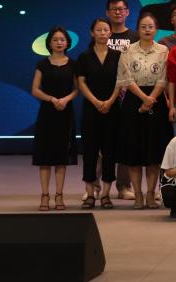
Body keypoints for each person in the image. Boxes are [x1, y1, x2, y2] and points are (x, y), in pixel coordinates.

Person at [116, 12, 172, 210]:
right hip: (133, 101)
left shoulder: (163, 50)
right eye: (143, 27)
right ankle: (138, 195)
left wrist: (151, 99)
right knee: (134, 150)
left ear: (156, 30)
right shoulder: (127, 50)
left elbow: (164, 78)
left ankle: (150, 194)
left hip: (156, 100)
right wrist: (144, 99)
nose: (147, 30)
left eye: (151, 27)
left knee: (153, 151)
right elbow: (126, 78)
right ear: (138, 29)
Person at [31, 26, 78, 211]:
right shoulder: (42, 64)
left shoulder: (73, 64)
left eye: (62, 40)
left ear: (67, 43)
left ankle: (59, 195)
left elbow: (77, 89)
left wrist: (65, 99)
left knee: (61, 157)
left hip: (65, 113)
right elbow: (35, 89)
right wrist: (52, 99)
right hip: (47, 113)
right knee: (45, 157)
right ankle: (44, 195)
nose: (59, 42)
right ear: (49, 43)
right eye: (56, 40)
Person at [76, 17, 122, 209]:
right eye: (98, 30)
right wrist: (95, 101)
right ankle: (89, 194)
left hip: (112, 109)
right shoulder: (84, 57)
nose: (102, 33)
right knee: (90, 151)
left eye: (105, 30)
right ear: (92, 33)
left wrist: (110, 101)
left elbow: (121, 82)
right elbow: (81, 82)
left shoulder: (118, 55)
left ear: (110, 33)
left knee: (109, 151)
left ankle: (105, 194)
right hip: (91, 110)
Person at [105, 0, 138, 200]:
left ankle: (124, 186)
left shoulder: (135, 36)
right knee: (103, 143)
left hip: (128, 97)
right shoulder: (102, 34)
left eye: (121, 9)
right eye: (113, 9)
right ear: (107, 13)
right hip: (105, 97)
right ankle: (97, 186)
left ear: (127, 12)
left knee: (126, 141)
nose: (118, 12)